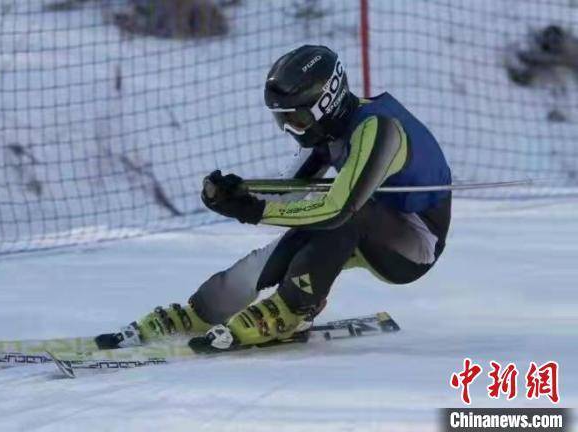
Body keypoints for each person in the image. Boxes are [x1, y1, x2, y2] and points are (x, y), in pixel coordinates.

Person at [98, 44, 452, 352]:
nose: (290, 129)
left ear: (325, 104)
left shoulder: (380, 130)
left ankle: (292, 310)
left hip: (415, 246)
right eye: (282, 120)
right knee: (298, 236)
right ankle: (202, 310)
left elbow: (337, 208)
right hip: (371, 222)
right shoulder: (331, 130)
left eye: (296, 119)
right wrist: (237, 194)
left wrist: (256, 210)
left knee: (340, 215)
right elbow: (288, 189)